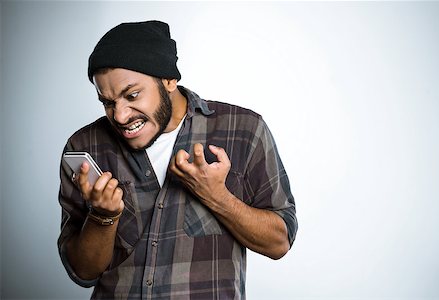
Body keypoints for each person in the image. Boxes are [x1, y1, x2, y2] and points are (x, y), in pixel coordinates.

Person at [58, 20, 297, 299]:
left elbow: (279, 242)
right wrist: (103, 217)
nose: (120, 116)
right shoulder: (86, 146)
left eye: (132, 95)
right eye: (108, 102)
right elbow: (83, 272)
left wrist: (217, 197)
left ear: (169, 80)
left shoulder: (243, 130)